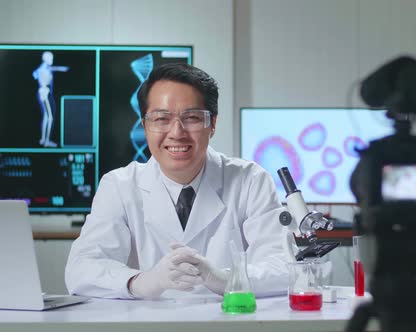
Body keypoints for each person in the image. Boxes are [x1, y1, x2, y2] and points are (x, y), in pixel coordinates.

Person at [65, 63, 289, 299]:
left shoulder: (250, 180)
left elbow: (284, 267)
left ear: (212, 124)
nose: (176, 132)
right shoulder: (119, 186)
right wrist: (143, 282)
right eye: (161, 118)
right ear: (145, 126)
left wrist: (222, 278)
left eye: (191, 117)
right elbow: (81, 270)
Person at [32, 51, 69, 148]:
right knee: (49, 117)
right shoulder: (44, 68)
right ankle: (46, 141)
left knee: (46, 117)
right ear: (46, 59)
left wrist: (62, 69)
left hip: (43, 92)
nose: (52, 60)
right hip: (44, 93)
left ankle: (43, 139)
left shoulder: (44, 67)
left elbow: (35, 74)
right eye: (50, 58)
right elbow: (37, 74)